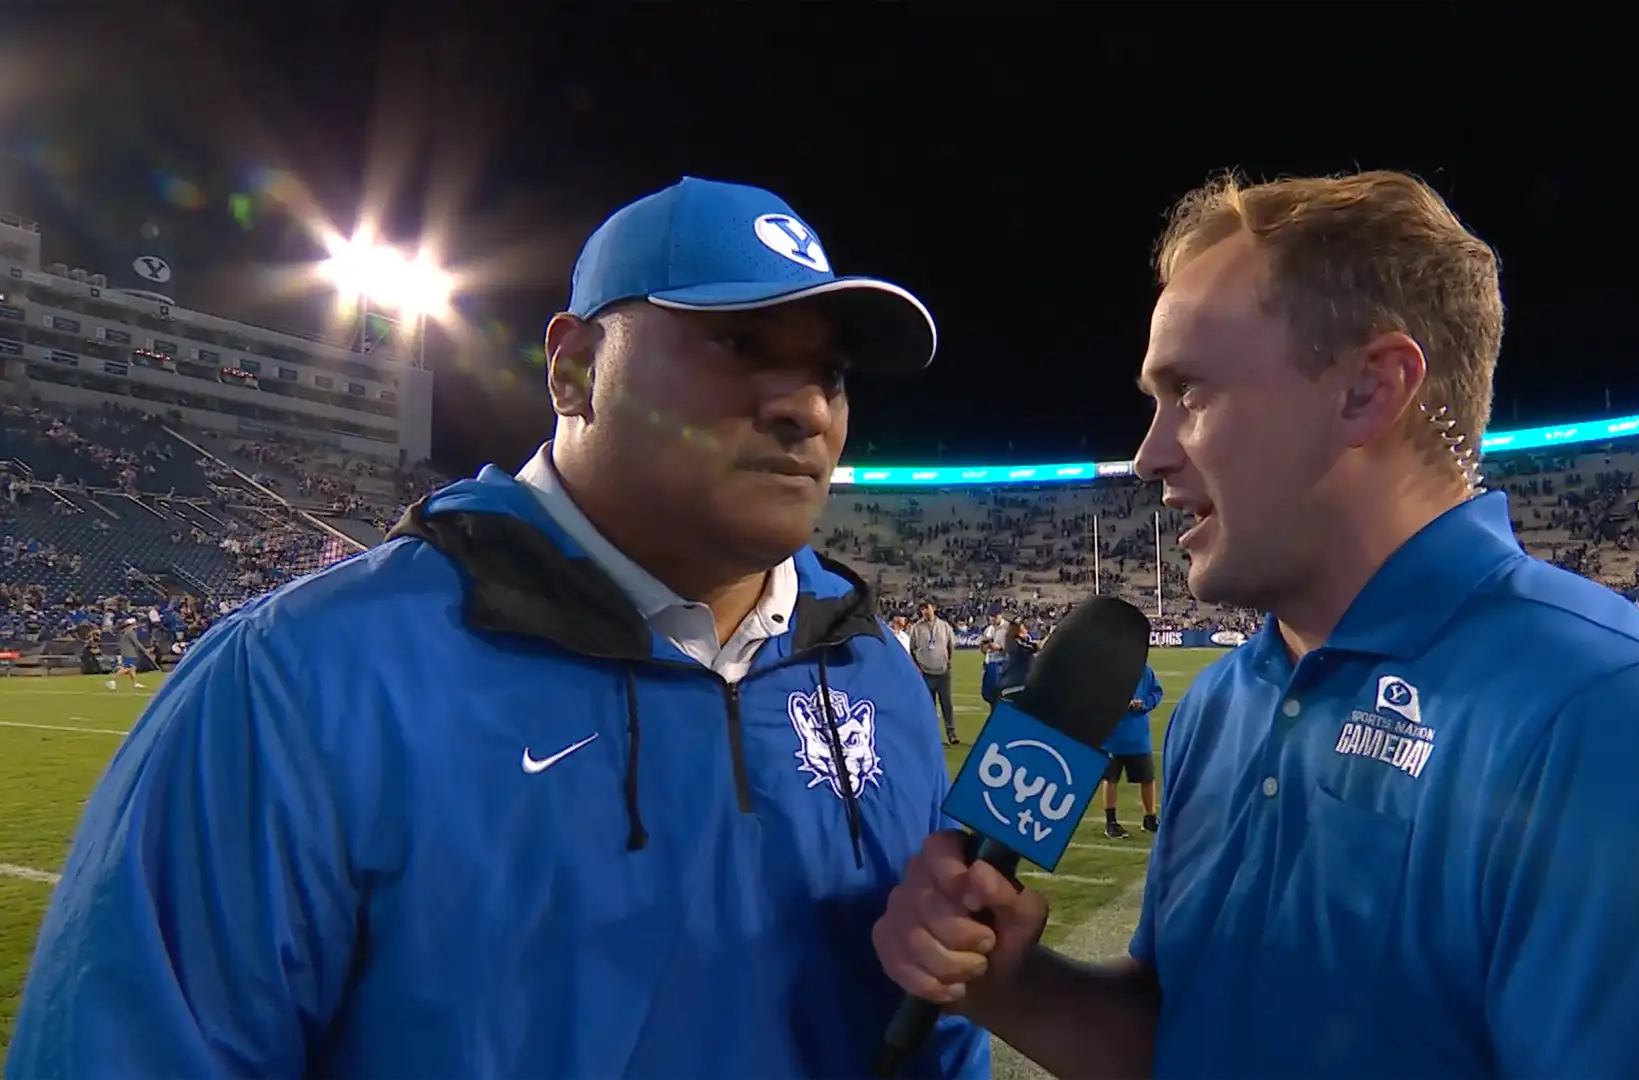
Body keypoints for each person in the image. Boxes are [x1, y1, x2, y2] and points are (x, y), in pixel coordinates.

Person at [872, 169, 1639, 1078]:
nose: (1149, 454)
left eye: (1190, 393)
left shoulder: (1627, 729)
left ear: (1368, 390)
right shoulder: (1223, 705)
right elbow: (1191, 1041)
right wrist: (1012, 985)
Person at [10, 176, 987, 1079]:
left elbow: (936, 1035)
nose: (806, 407)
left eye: (831, 372)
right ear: (575, 371)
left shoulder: (872, 670)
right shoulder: (299, 681)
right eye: (737, 346)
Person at [1100, 662, 1164, 839]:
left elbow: (1156, 692)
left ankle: (1150, 818)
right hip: (1112, 734)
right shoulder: (1106, 669)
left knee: (1147, 778)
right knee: (1111, 779)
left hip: (1138, 735)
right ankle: (1111, 821)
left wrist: (1144, 704)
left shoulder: (1144, 669)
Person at [910, 601, 958, 745]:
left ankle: (951, 733)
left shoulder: (944, 626)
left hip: (942, 672)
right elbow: (912, 649)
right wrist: (917, 667)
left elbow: (950, 645)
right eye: (922, 609)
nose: (924, 611)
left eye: (927, 608)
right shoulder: (916, 628)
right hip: (925, 672)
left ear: (934, 608)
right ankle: (930, 735)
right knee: (928, 706)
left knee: (946, 704)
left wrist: (948, 661)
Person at [105, 616, 147, 690]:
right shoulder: (131, 632)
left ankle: (135, 683)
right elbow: (136, 642)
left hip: (125, 652)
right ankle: (113, 680)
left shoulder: (124, 632)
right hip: (129, 653)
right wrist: (144, 650)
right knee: (127, 668)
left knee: (132, 668)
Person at [979, 609, 1010, 706]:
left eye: (995, 616)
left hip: (1002, 664)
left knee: (999, 695)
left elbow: (1012, 648)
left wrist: (999, 648)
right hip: (990, 663)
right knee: (988, 694)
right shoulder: (988, 629)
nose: (993, 619)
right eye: (991, 616)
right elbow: (983, 649)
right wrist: (984, 646)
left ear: (1000, 615)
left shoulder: (1008, 628)